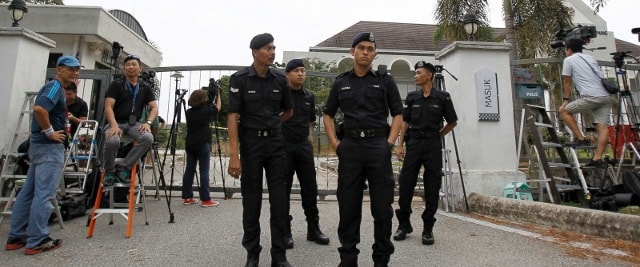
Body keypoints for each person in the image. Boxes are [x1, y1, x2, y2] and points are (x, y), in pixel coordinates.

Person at [322, 32, 403, 267]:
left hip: (378, 147)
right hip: (350, 149)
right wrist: (336, 144)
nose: (366, 52)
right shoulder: (341, 82)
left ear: (375, 53)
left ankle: (381, 259)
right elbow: (327, 114)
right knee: (348, 206)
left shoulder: (385, 81)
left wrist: (389, 143)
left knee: (382, 208)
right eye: (361, 48)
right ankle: (348, 259)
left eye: (370, 48)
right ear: (352, 52)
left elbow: (398, 113)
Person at [227, 33, 293, 267]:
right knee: (251, 202)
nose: (272, 52)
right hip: (251, 146)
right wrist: (234, 155)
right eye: (268, 48)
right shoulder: (240, 79)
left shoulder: (279, 79)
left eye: (274, 47)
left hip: (275, 146)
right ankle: (252, 253)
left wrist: (271, 126)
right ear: (255, 52)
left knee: (280, 202)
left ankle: (279, 255)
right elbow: (233, 117)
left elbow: (288, 112)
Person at [5, 55, 81, 254]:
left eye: (76, 69)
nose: (74, 72)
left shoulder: (53, 88)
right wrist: (49, 132)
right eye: (70, 69)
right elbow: (39, 109)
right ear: (58, 69)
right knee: (44, 194)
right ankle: (37, 239)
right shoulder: (55, 87)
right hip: (48, 147)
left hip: (37, 147)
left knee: (28, 193)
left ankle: (17, 236)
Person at [393, 61, 458, 246]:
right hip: (413, 143)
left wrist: (439, 136)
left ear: (429, 75)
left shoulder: (443, 97)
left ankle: (428, 228)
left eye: (418, 72)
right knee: (405, 183)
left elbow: (452, 121)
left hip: (432, 145)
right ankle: (404, 225)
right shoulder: (412, 97)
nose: (415, 75)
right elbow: (405, 123)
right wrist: (400, 146)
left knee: (432, 185)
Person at [281, 59, 330, 249]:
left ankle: (313, 228)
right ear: (287, 74)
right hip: (284, 146)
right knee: (282, 190)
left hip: (303, 146)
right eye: (296, 71)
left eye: (302, 70)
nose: (300, 74)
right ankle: (285, 230)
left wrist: (305, 142)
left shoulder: (310, 96)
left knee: (310, 188)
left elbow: (309, 122)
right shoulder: (281, 95)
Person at [559, 38, 617, 167]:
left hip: (591, 96)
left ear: (569, 50)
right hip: (606, 96)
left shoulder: (569, 60)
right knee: (602, 127)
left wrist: (565, 100)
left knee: (564, 111)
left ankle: (581, 138)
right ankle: (597, 159)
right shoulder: (590, 58)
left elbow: (567, 81)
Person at [103, 54, 157, 187]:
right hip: (116, 122)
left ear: (140, 68)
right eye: (127, 65)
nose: (130, 67)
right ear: (124, 69)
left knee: (148, 138)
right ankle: (109, 171)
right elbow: (108, 107)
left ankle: (124, 167)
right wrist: (114, 125)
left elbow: (154, 107)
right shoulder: (117, 84)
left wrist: (148, 123)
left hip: (134, 124)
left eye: (134, 64)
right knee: (113, 140)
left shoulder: (144, 87)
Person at [182, 89, 221, 207]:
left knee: (189, 170)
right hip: (203, 143)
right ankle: (205, 199)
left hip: (190, 143)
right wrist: (218, 95)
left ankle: (187, 197)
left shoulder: (188, 112)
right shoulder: (206, 111)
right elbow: (218, 108)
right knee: (204, 171)